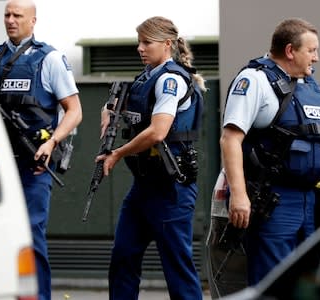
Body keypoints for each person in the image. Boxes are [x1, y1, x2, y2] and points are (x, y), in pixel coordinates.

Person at [220, 18, 320, 286]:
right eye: (311, 51)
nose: (317, 58)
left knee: (305, 283)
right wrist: (239, 196)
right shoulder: (255, 80)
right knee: (273, 283)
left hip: (310, 200)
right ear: (290, 51)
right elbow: (230, 139)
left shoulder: (310, 86)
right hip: (274, 200)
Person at [97, 16, 206, 300]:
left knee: (178, 270)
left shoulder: (170, 79)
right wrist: (108, 111)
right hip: (144, 187)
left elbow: (158, 132)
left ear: (167, 44)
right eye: (139, 42)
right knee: (123, 257)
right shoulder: (146, 76)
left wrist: (118, 153)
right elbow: (132, 112)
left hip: (172, 189)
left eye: (147, 42)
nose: (140, 48)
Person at [0, 1, 82, 299]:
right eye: (7, 15)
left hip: (33, 166)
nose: (10, 21)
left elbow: (74, 111)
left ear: (33, 21)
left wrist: (52, 142)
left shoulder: (49, 59)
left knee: (31, 235)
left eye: (17, 16)